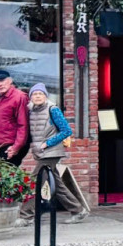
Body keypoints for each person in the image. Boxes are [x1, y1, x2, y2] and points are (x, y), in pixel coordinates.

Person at [24, 84, 88, 220]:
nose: (38, 96)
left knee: (35, 181)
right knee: (57, 184)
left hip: (51, 152)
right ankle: (78, 210)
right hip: (41, 152)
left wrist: (48, 143)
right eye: (34, 94)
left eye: (40, 94)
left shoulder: (53, 109)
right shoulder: (31, 111)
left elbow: (66, 130)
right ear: (30, 97)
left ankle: (25, 215)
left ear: (46, 96)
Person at [0, 69, 29, 165]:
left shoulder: (20, 97)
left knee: (6, 176)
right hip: (2, 144)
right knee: (2, 176)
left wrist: (16, 147)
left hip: (12, 144)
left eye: (2, 80)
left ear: (10, 81)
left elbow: (23, 125)